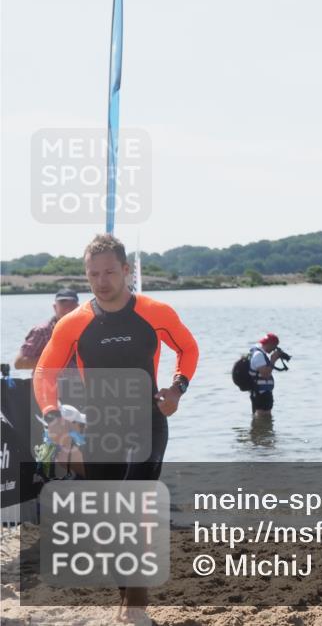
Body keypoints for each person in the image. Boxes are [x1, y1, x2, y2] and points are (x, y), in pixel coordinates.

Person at [33, 233, 199, 623]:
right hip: (101, 426)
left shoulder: (155, 312)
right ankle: (128, 600)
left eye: (109, 272)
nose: (102, 280)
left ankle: (135, 609)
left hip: (148, 421)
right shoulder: (76, 322)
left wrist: (177, 389)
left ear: (126, 270)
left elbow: (188, 349)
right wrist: (53, 415)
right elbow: (44, 370)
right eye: (93, 274)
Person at [14, 289, 79, 372]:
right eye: (63, 304)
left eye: (71, 304)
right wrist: (52, 361)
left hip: (81, 382)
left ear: (78, 307)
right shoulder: (41, 331)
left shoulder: (86, 330)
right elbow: (19, 363)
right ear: (55, 307)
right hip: (50, 383)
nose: (67, 308)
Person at [248, 333, 287, 417]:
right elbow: (265, 374)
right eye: (274, 346)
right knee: (264, 417)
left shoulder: (260, 354)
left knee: (263, 422)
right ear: (269, 344)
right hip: (261, 393)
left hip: (262, 392)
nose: (274, 349)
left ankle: (261, 430)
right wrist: (273, 360)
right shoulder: (258, 355)